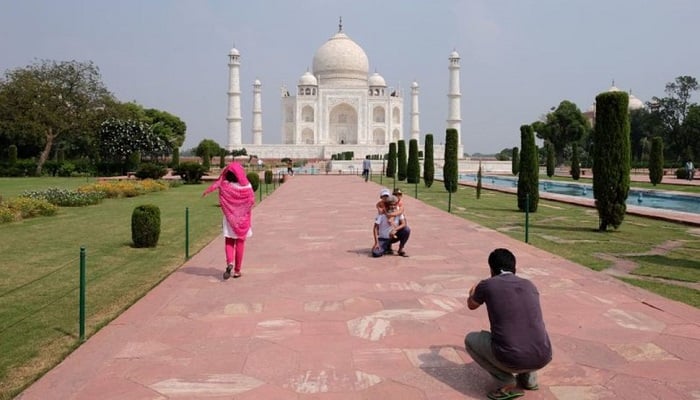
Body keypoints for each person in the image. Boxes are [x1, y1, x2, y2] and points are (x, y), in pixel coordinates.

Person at [465, 248, 552, 400]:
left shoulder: (487, 285)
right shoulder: (529, 285)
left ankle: (505, 380)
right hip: (543, 356)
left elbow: (471, 305)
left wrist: (473, 291)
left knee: (470, 340)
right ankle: (529, 379)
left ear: (491, 269)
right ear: (514, 268)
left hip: (511, 357)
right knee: (526, 329)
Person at [202, 162, 255, 280]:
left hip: (230, 218)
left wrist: (207, 191)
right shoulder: (247, 186)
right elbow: (251, 200)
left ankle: (229, 263)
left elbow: (216, 184)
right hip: (242, 219)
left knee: (229, 242)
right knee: (240, 242)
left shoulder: (225, 185)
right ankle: (237, 271)